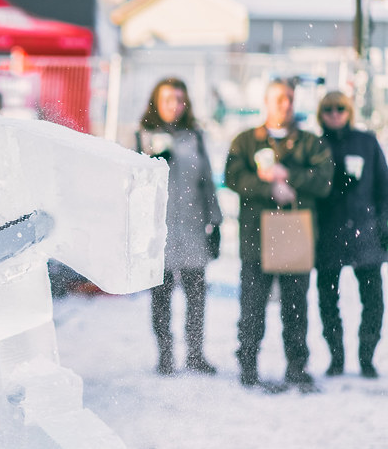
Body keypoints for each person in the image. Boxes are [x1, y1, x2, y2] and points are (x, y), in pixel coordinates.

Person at [224, 79, 333, 390]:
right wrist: (268, 187)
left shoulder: (311, 143)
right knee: (252, 306)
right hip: (255, 236)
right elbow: (232, 176)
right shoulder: (246, 141)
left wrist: (291, 176)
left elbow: (324, 181)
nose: (284, 104)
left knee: (296, 307)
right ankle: (247, 367)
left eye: (289, 98)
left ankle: (297, 367)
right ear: (266, 102)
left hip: (296, 235)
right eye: (278, 99)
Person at [135, 78, 223, 375]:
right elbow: (128, 185)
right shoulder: (143, 137)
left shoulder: (194, 137)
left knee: (196, 296)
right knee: (161, 297)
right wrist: (150, 163)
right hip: (157, 232)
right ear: (156, 103)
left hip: (193, 227)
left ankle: (195, 353)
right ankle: (165, 353)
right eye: (169, 99)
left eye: (180, 100)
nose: (175, 105)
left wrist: (216, 222)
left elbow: (207, 182)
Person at [313, 92, 388, 378]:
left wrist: (384, 226)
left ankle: (367, 358)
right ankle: (336, 358)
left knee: (373, 301)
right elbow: (311, 188)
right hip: (328, 234)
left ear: (349, 111)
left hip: (365, 233)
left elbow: (384, 188)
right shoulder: (316, 144)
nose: (335, 114)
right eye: (329, 109)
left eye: (340, 108)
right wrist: (333, 187)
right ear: (321, 113)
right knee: (327, 300)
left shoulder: (366, 142)